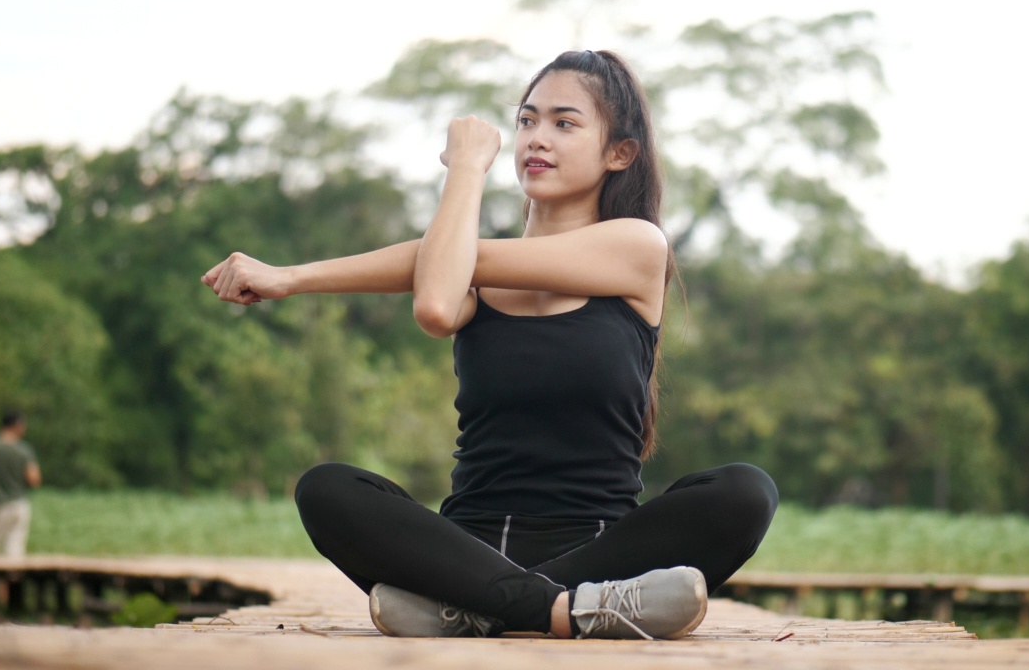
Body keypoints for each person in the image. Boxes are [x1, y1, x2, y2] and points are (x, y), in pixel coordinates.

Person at [201, 50, 778, 640]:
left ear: (619, 153)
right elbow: (436, 305)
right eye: (526, 120)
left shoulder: (637, 246)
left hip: (604, 549)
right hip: (466, 547)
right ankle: (569, 610)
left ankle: (474, 612)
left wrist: (465, 171)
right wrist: (286, 277)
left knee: (745, 493)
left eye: (564, 123)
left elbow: (440, 273)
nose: (536, 138)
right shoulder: (463, 272)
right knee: (327, 489)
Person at [0, 410, 42, 557]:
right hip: (19, 504)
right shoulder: (24, 449)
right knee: (15, 551)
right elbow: (34, 479)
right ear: (16, 425)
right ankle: (12, 580)